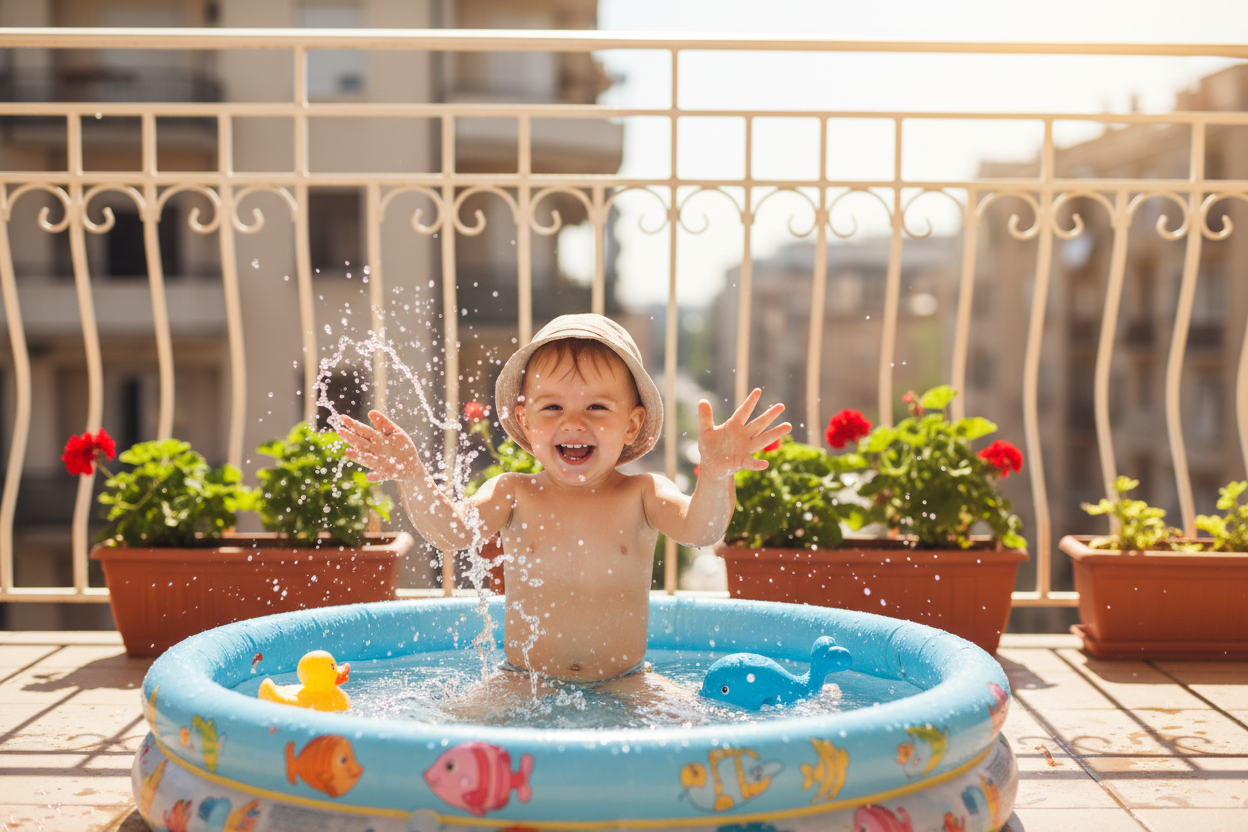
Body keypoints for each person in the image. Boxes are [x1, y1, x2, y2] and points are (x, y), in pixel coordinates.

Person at [336, 313, 790, 712]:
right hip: (522, 679)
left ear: (631, 424)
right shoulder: (513, 492)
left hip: (627, 680)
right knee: (449, 725)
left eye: (596, 407)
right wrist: (413, 476)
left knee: (694, 725)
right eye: (552, 407)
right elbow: (451, 532)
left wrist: (715, 475)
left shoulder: (644, 493)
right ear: (526, 421)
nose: (573, 423)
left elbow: (701, 529)